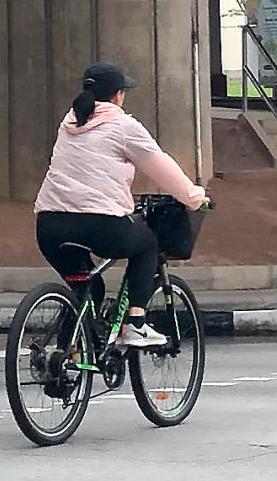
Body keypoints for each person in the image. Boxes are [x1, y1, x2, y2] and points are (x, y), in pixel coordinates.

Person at [34, 62, 210, 348]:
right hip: (97, 223)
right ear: (117, 95)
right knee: (147, 245)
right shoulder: (123, 126)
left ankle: (65, 356)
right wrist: (193, 197)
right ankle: (135, 324)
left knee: (88, 288)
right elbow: (160, 165)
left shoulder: (70, 122)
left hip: (49, 225)